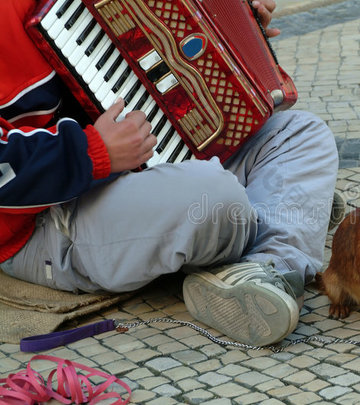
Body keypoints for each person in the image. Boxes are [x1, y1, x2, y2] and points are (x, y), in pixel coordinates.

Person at [0, 0, 339, 347]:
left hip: (151, 155)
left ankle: (271, 271)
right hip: (41, 220)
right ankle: (277, 214)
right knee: (211, 197)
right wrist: (93, 152)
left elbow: (160, 58)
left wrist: (233, 30)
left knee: (301, 133)